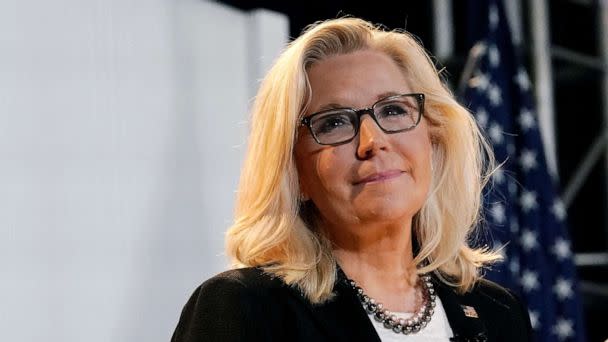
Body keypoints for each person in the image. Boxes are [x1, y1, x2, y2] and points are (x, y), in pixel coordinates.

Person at [171, 17, 533, 342]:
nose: (372, 142)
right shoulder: (244, 308)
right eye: (334, 122)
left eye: (393, 110)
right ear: (294, 174)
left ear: (433, 142)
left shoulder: (498, 314)